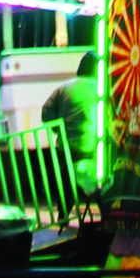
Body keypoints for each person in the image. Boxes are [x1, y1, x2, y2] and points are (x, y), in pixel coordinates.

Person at [42, 53, 100, 197]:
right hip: (93, 149)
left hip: (67, 150)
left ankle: (63, 213)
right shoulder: (101, 89)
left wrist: (59, 130)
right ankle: (105, 212)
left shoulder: (63, 89)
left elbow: (46, 115)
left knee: (67, 186)